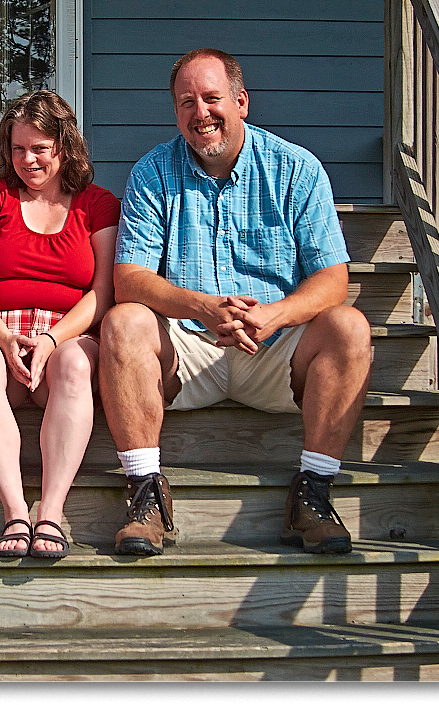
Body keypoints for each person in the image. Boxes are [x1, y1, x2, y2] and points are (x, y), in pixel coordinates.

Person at [100, 48, 372, 557]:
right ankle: (145, 495)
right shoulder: (153, 172)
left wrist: (275, 314)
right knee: (123, 322)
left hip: (276, 349)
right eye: (186, 102)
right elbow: (129, 278)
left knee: (350, 326)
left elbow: (333, 279)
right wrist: (202, 306)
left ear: (241, 102)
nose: (200, 113)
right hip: (190, 353)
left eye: (211, 98)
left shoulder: (296, 169)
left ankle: (313, 494)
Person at [0, 91, 119, 560]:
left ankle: (51, 512)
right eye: (18, 148)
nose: (28, 160)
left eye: (40, 147)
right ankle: (15, 510)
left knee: (76, 367)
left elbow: (102, 293)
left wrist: (50, 338)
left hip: (66, 334)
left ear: (64, 146)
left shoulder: (96, 204)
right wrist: (3, 337)